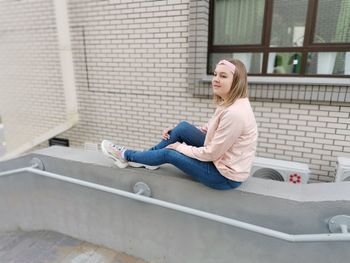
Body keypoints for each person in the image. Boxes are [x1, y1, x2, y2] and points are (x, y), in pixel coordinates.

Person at [101, 59, 258, 190]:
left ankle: (125, 156)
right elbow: (208, 130)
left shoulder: (235, 114)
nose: (215, 79)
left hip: (225, 176)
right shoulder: (229, 102)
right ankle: (148, 159)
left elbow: (212, 153)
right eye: (215, 74)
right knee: (182, 127)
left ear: (237, 81)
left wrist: (179, 147)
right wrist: (176, 132)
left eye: (223, 76)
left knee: (170, 153)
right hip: (221, 158)